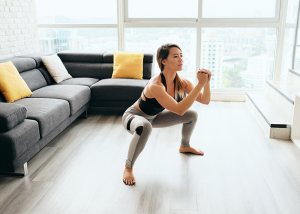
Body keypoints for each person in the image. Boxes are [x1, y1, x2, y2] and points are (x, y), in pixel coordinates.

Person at [122, 43, 211, 186]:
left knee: (192, 115)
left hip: (154, 118)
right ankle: (128, 167)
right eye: (175, 56)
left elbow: (205, 100)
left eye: (181, 56)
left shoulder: (182, 82)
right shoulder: (156, 85)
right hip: (134, 117)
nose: (180, 59)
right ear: (163, 61)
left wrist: (206, 83)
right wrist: (199, 85)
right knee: (145, 126)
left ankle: (185, 146)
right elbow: (179, 109)